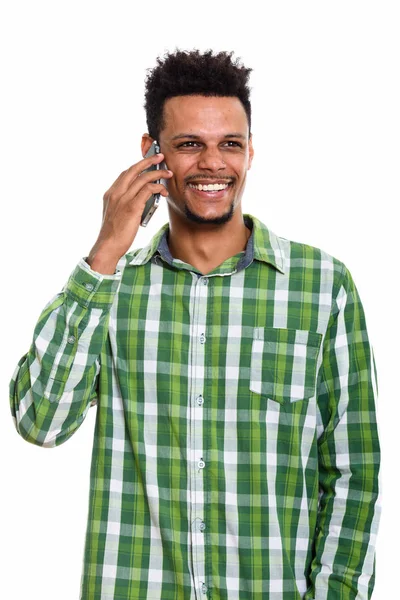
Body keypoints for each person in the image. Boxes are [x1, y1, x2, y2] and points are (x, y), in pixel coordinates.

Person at [9, 48, 381, 600]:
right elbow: (40, 420)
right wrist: (108, 248)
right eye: (189, 145)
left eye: (229, 144)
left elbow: (355, 474)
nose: (213, 164)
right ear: (151, 153)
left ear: (250, 152)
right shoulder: (112, 288)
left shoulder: (321, 286)